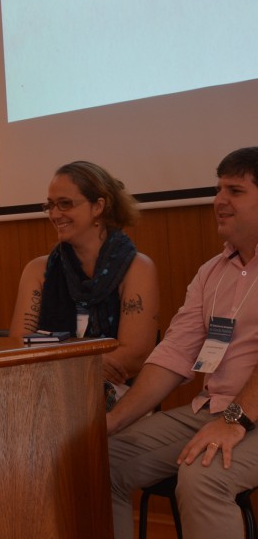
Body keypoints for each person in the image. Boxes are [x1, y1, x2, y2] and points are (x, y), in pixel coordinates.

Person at [108, 147, 258, 539]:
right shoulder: (212, 272)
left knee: (202, 476)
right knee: (103, 459)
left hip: (244, 415)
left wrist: (235, 421)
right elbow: (174, 354)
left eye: (235, 191)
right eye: (218, 189)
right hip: (217, 409)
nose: (219, 201)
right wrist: (115, 419)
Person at [9, 161, 159, 409]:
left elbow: (134, 356)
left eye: (65, 204)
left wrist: (58, 361)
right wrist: (90, 363)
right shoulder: (38, 270)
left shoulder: (137, 268)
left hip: (120, 397)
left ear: (98, 206)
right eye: (50, 205)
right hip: (45, 387)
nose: (55, 215)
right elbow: (19, 346)